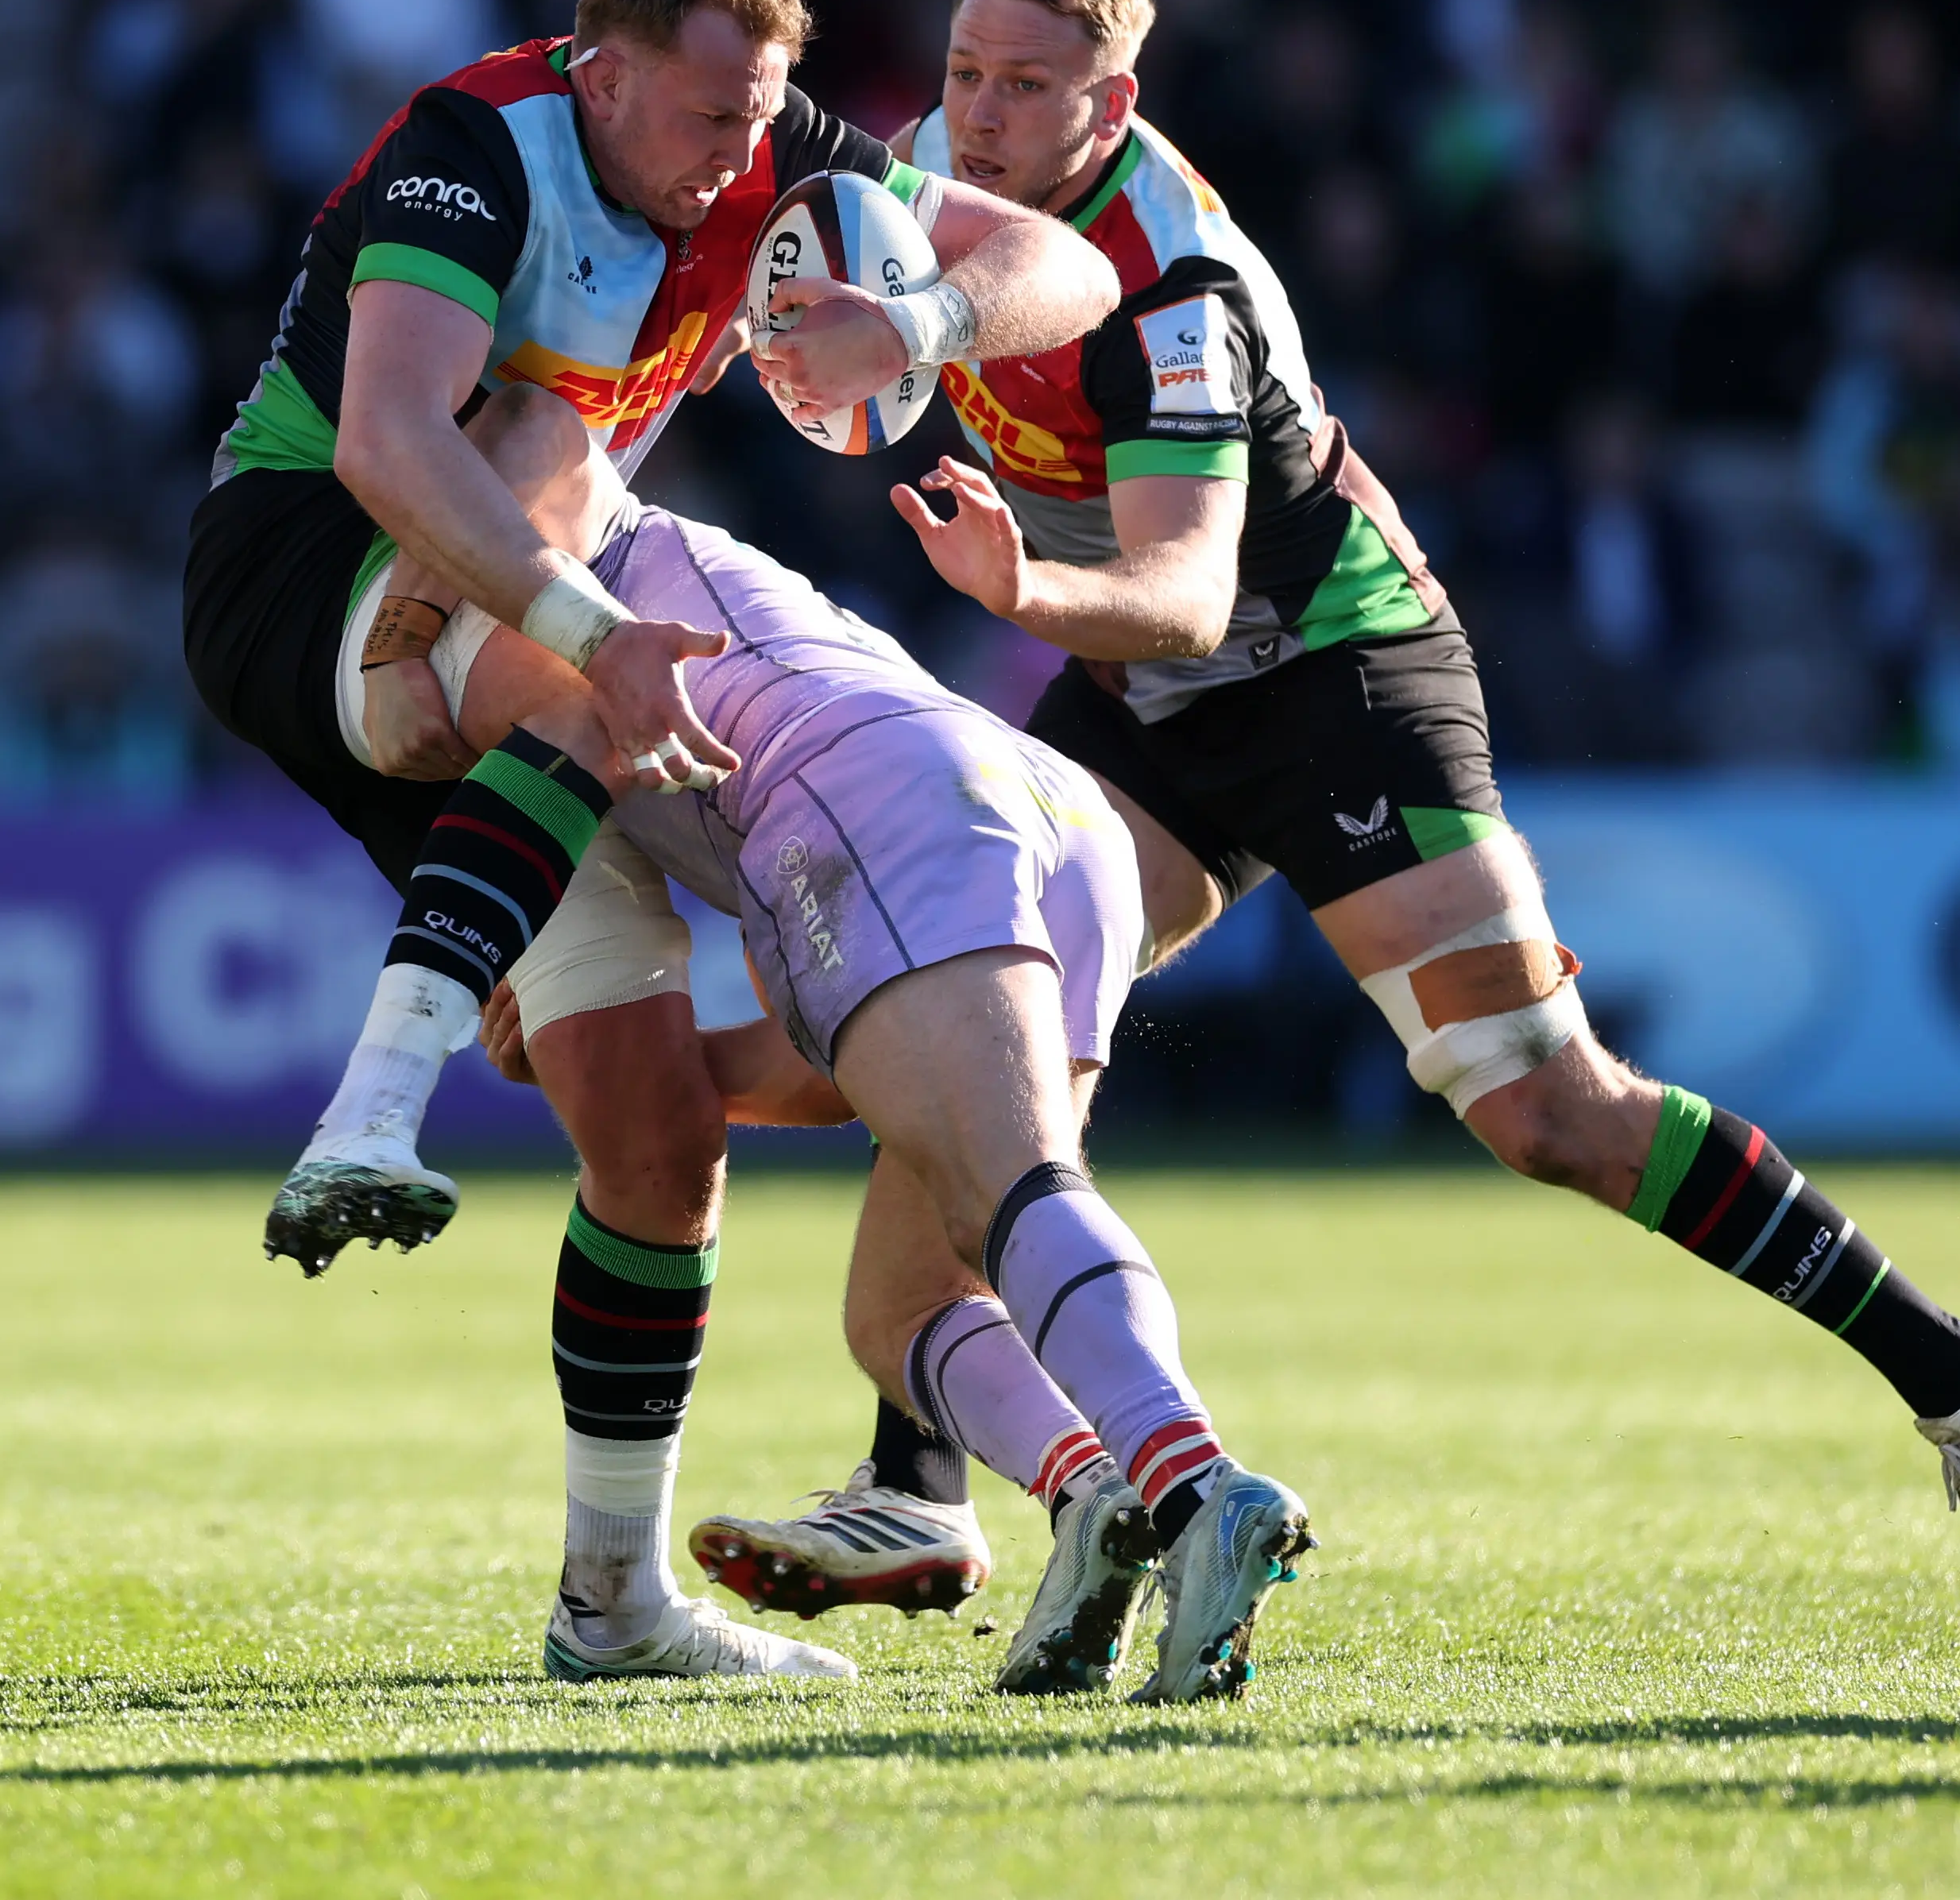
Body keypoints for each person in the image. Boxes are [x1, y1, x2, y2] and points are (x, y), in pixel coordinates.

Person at [683, 0, 1960, 1651]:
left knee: (1543, 1108)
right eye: (964, 72)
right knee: (982, 1014)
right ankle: (919, 1480)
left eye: (1025, 86)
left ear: (1112, 102)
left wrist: (1017, 586)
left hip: (1327, 670)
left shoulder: (1175, 285)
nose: (975, 114)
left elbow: (1185, 592)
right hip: (1141, 698)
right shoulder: (924, 190)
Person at [176, 0, 1123, 1681]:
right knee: (558, 490)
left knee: (659, 1139)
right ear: (599, 76)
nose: (738, 156)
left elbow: (1064, 271)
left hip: (500, 650)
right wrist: (592, 636)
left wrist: (918, 317)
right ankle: (370, 1110)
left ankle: (609, 1608)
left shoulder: (765, 148)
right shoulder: (476, 146)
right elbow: (388, 440)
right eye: (706, 117)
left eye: (760, 116)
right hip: (304, 572)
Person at [302, 384, 1315, 1701]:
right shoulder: (645, 564)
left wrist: (394, 644)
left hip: (886, 801)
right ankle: (1095, 1495)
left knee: (1013, 1190)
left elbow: (532, 433)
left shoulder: (528, 507)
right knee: (906, 1308)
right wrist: (666, 1068)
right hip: (1039, 810)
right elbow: (839, 1071)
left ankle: (1196, 1482)